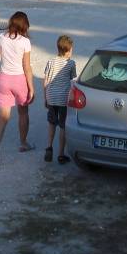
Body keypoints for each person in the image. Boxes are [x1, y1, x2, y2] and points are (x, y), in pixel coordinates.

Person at [0, 11, 35, 166]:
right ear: (24, 25)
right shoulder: (25, 42)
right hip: (19, 80)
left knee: (2, 117)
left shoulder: (0, 37)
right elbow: (27, 67)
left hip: (4, 78)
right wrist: (31, 88)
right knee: (23, 113)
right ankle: (23, 143)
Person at [43, 35, 76, 164]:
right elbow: (73, 81)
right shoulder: (71, 64)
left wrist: (46, 97)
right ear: (69, 50)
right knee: (63, 126)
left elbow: (45, 81)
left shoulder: (51, 61)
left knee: (52, 123)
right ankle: (61, 154)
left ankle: (49, 147)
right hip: (63, 99)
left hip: (51, 97)